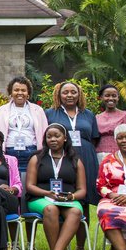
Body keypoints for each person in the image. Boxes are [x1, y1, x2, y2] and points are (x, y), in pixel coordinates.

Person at [25, 124, 87, 250]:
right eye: (49, 136)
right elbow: (29, 186)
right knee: (51, 209)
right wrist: (48, 194)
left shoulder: (75, 160)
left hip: (67, 199)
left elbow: (82, 190)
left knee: (76, 212)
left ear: (65, 138)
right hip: (41, 198)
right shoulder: (36, 158)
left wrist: (70, 197)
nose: (52, 139)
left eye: (57, 136)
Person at [45, 81, 101, 211]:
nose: (69, 95)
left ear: (79, 94)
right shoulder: (50, 113)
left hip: (86, 156)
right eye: (65, 92)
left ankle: (83, 227)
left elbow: (94, 138)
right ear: (59, 95)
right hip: (62, 156)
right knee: (65, 189)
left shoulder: (88, 114)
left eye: (73, 92)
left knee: (84, 194)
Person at [0, 76, 47, 181]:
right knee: (11, 183)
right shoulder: (1, 110)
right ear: (11, 92)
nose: (20, 93)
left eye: (23, 90)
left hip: (31, 152)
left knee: (30, 182)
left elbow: (45, 132)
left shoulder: (38, 110)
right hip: (9, 153)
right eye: (16, 90)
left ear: (28, 93)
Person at [94, 84, 126, 156]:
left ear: (118, 98)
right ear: (101, 97)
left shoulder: (125, 116)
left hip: (120, 155)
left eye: (114, 96)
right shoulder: (96, 118)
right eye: (107, 95)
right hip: (100, 154)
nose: (111, 98)